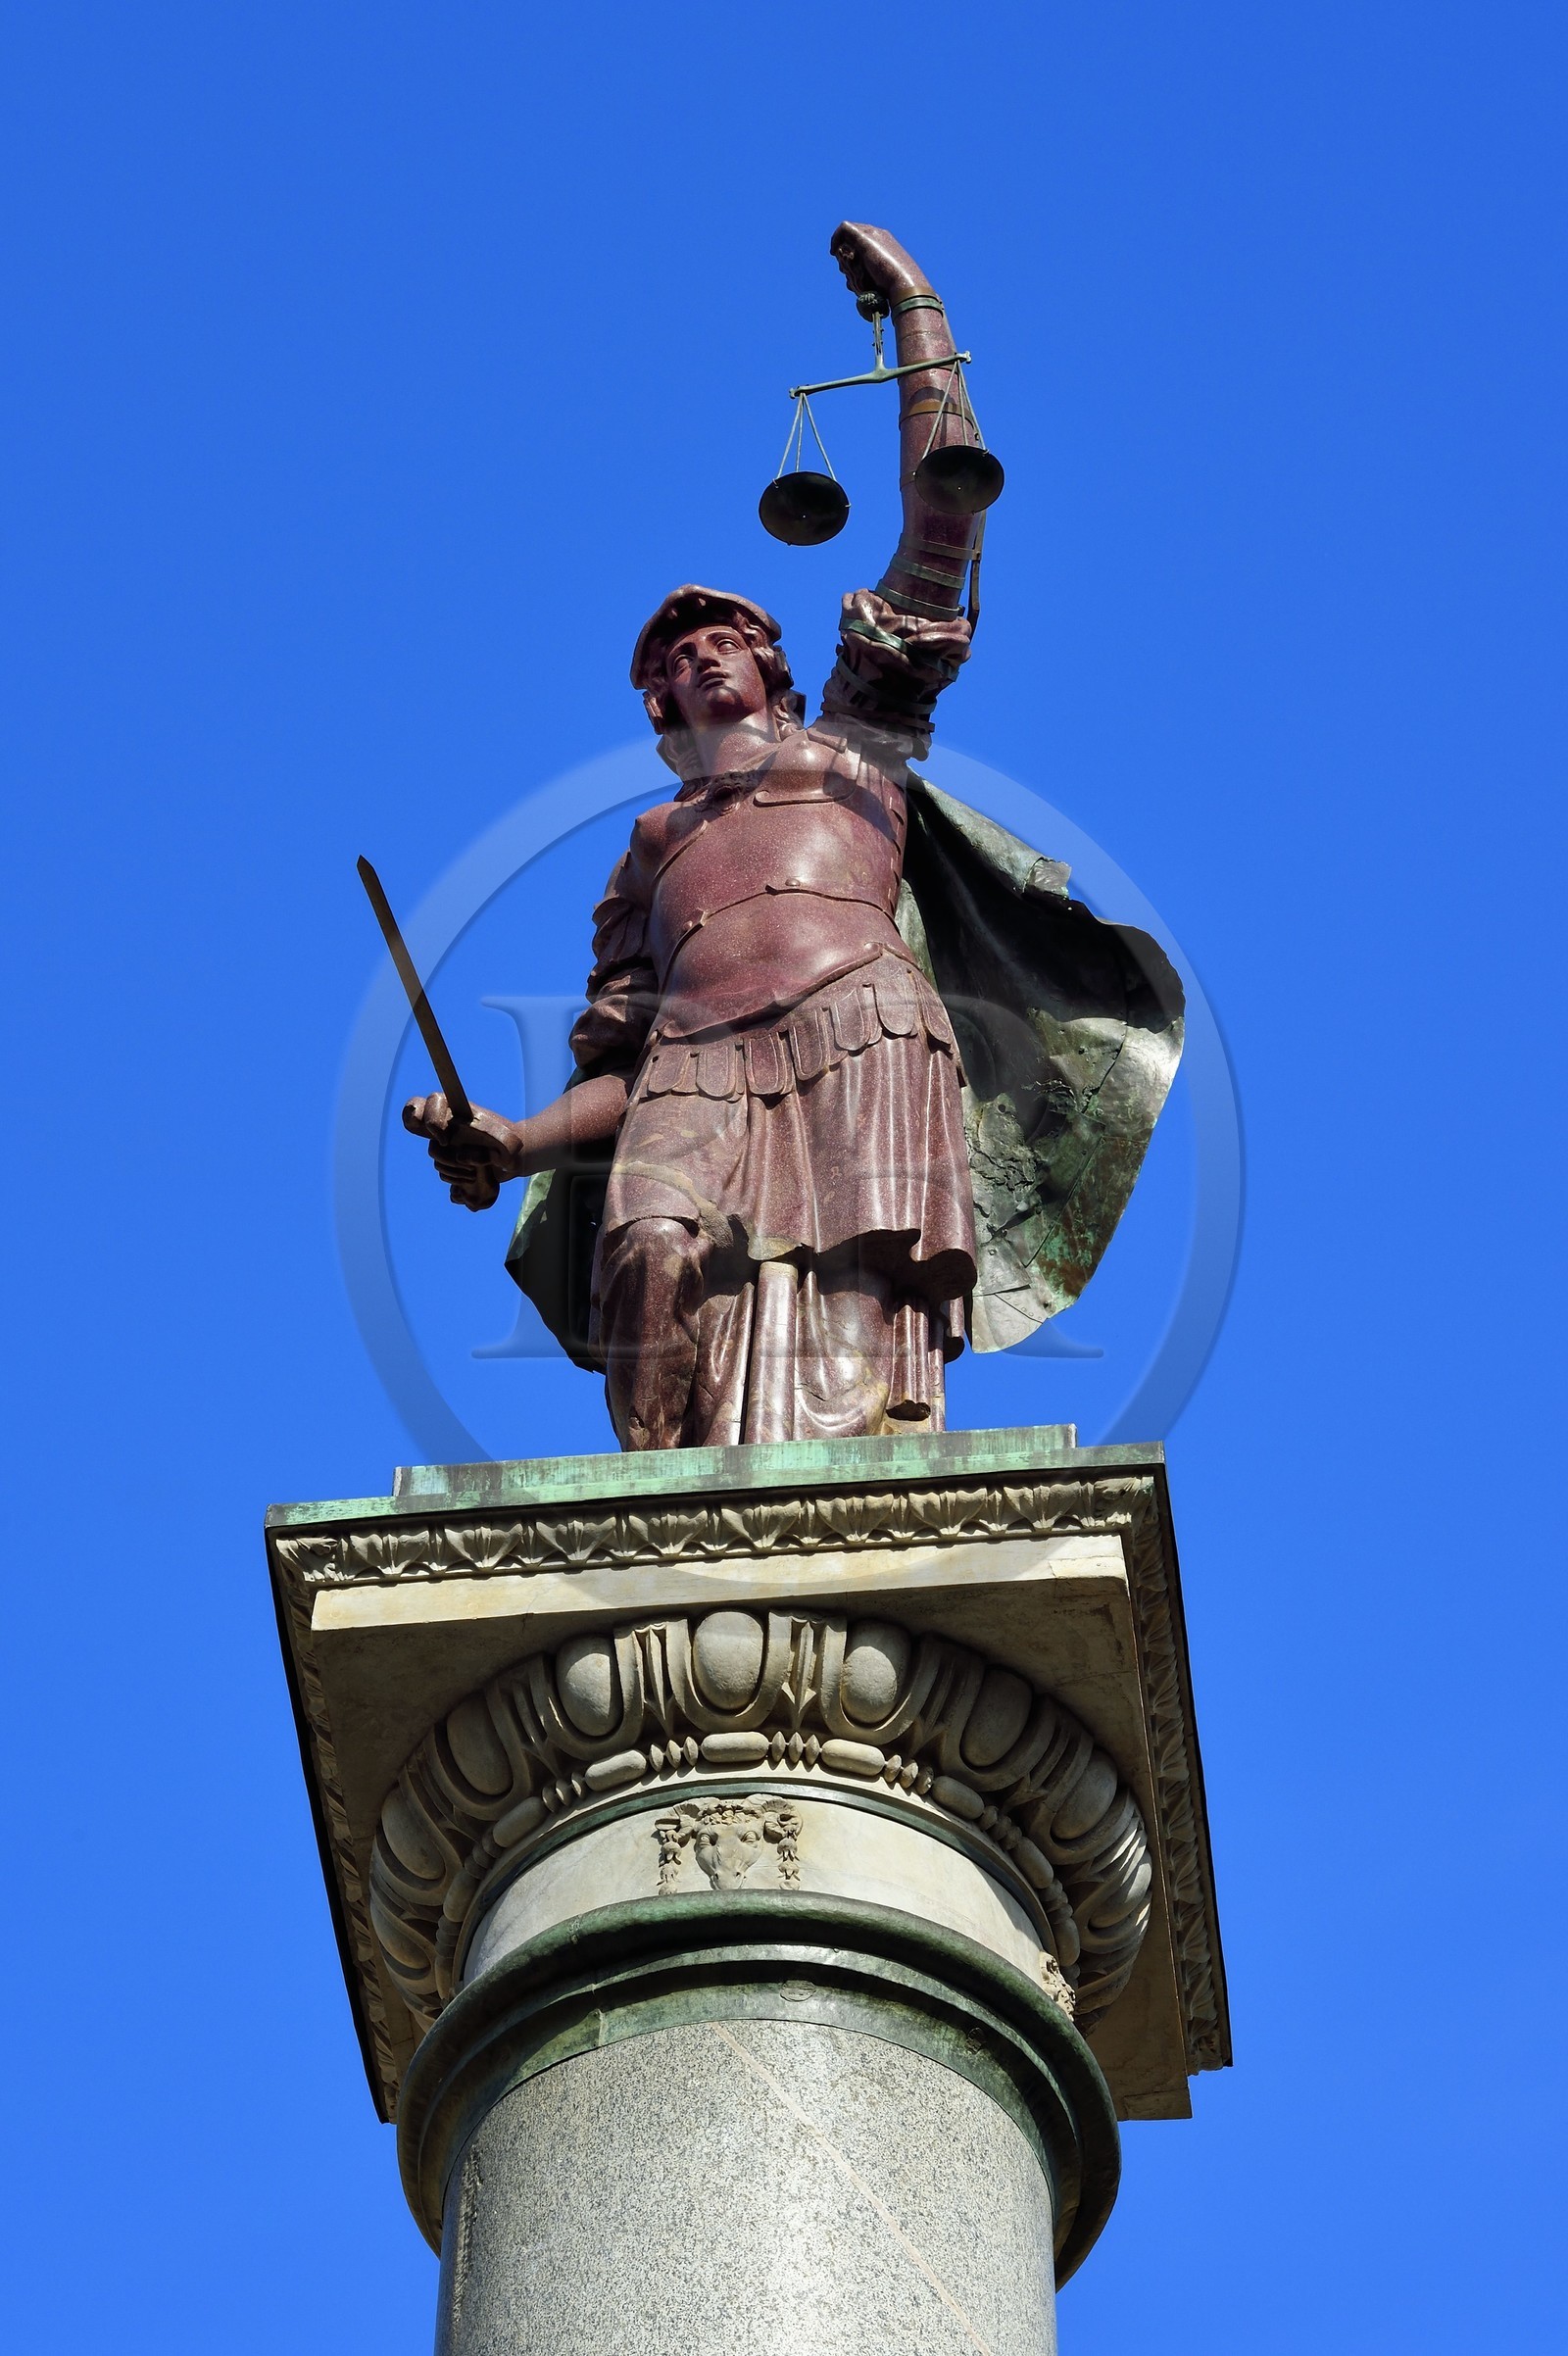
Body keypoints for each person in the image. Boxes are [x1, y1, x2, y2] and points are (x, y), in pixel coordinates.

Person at [405, 223, 1185, 1450]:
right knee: (650, 1250)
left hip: (859, 1026)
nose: (700, 650)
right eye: (674, 654)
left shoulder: (855, 743)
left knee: (851, 1323)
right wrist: (510, 1144)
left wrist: (919, 316)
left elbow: (942, 522)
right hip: (692, 1068)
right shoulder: (653, 848)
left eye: (721, 636)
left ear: (769, 663)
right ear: (659, 701)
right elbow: (619, 1057)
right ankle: (652, 1509)